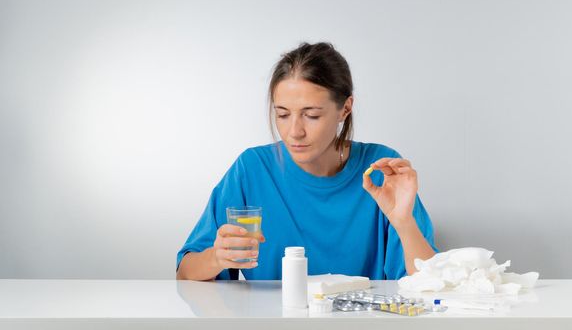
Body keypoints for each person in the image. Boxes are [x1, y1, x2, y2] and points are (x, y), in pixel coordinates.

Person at [176, 42, 437, 281]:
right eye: (283, 114)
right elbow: (185, 274)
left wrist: (404, 222)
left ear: (345, 109)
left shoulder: (380, 171)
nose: (294, 131)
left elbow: (430, 284)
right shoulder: (252, 169)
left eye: (311, 115)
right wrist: (216, 257)